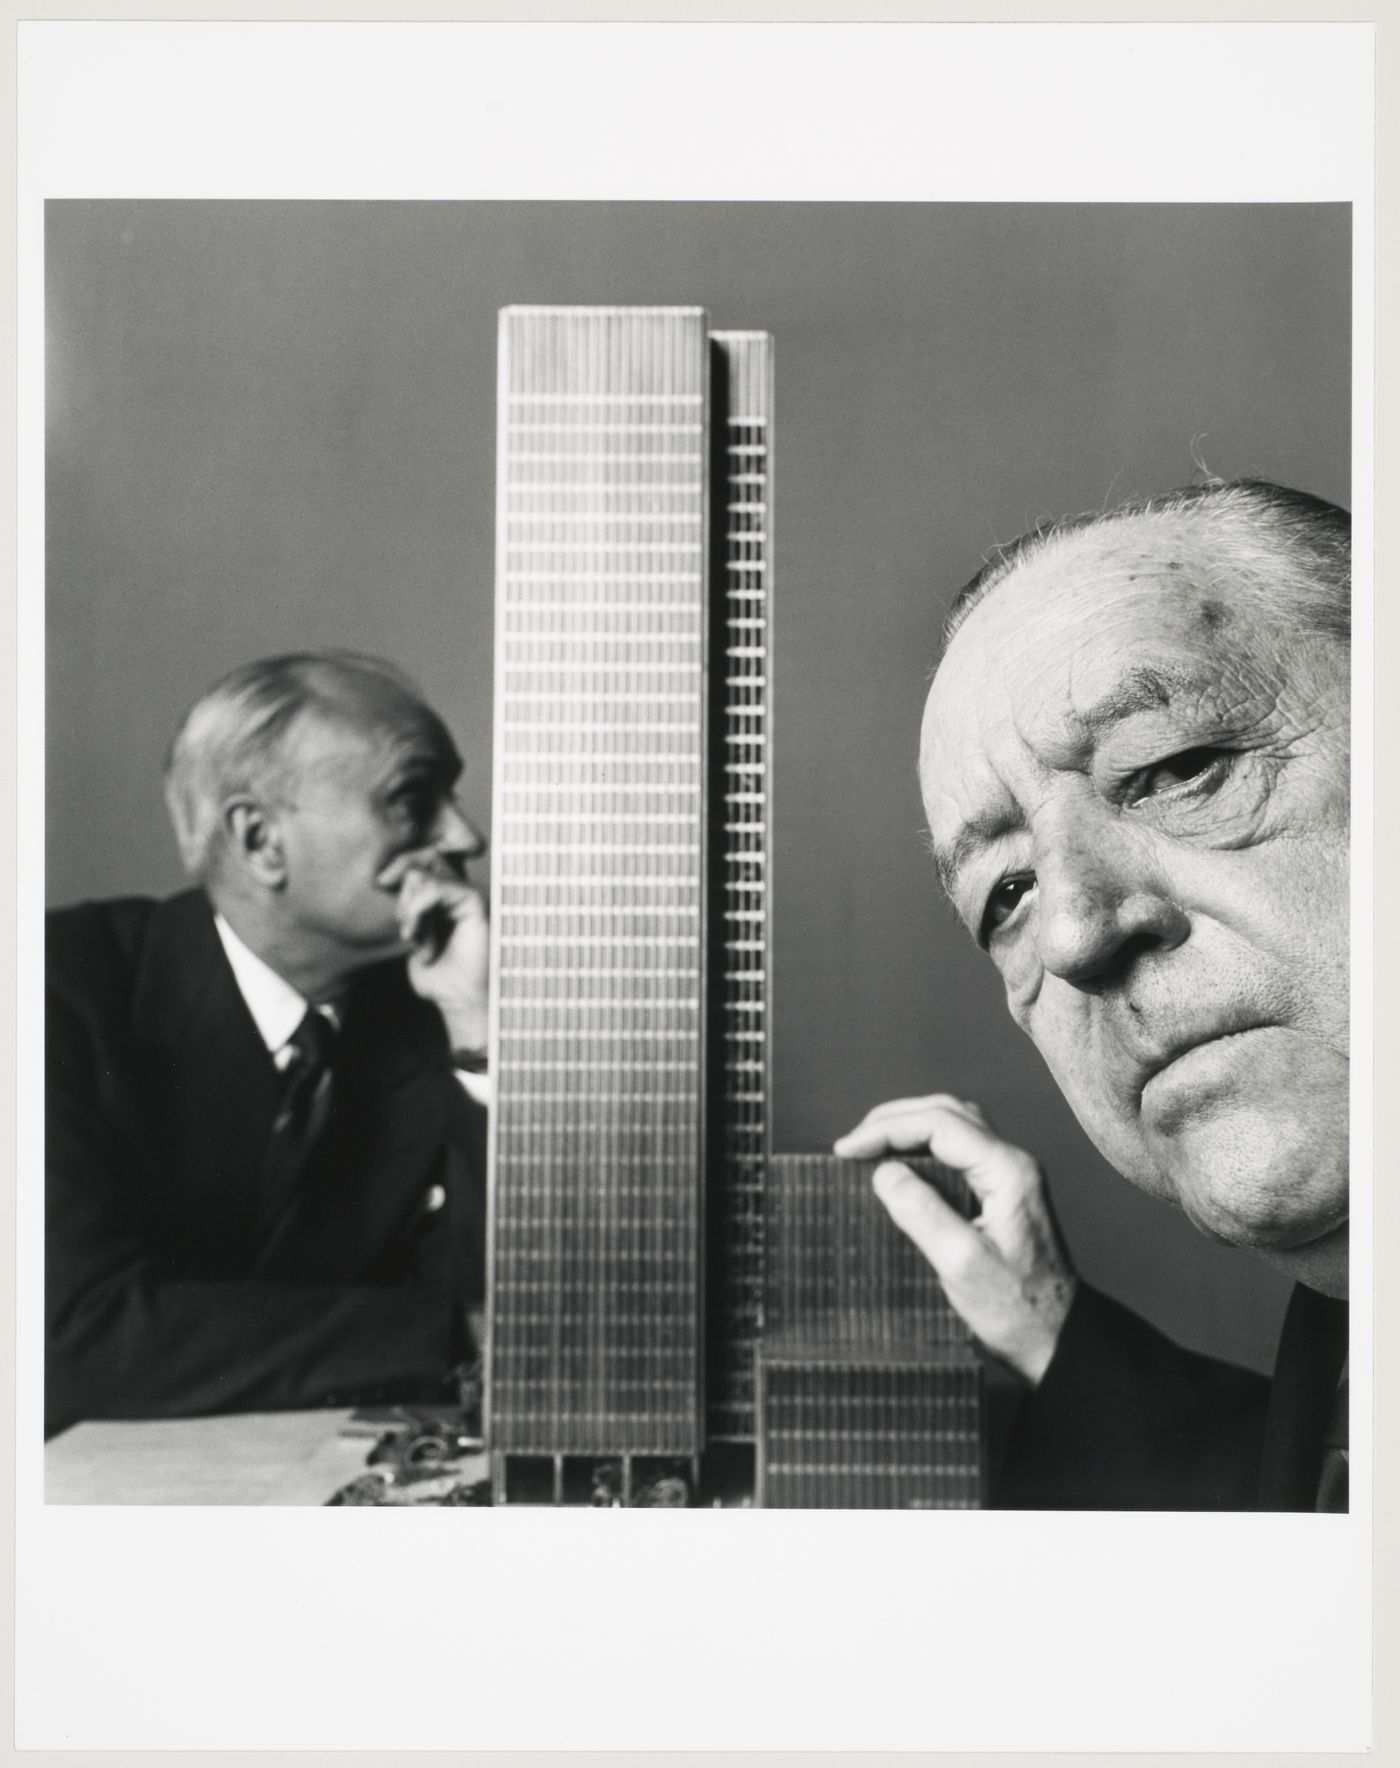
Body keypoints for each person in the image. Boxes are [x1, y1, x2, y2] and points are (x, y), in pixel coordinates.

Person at [836, 479, 1351, 1511]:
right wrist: (1046, 1328)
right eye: (1006, 892)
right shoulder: (1343, 1332)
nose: (1072, 932)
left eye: (1172, 767)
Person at [45, 650, 493, 1439]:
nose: (467, 835)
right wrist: (448, 1336)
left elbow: (522, 1309)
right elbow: (74, 1341)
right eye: (414, 800)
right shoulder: (53, 993)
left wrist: (475, 1029)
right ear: (260, 841)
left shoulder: (441, 1003)